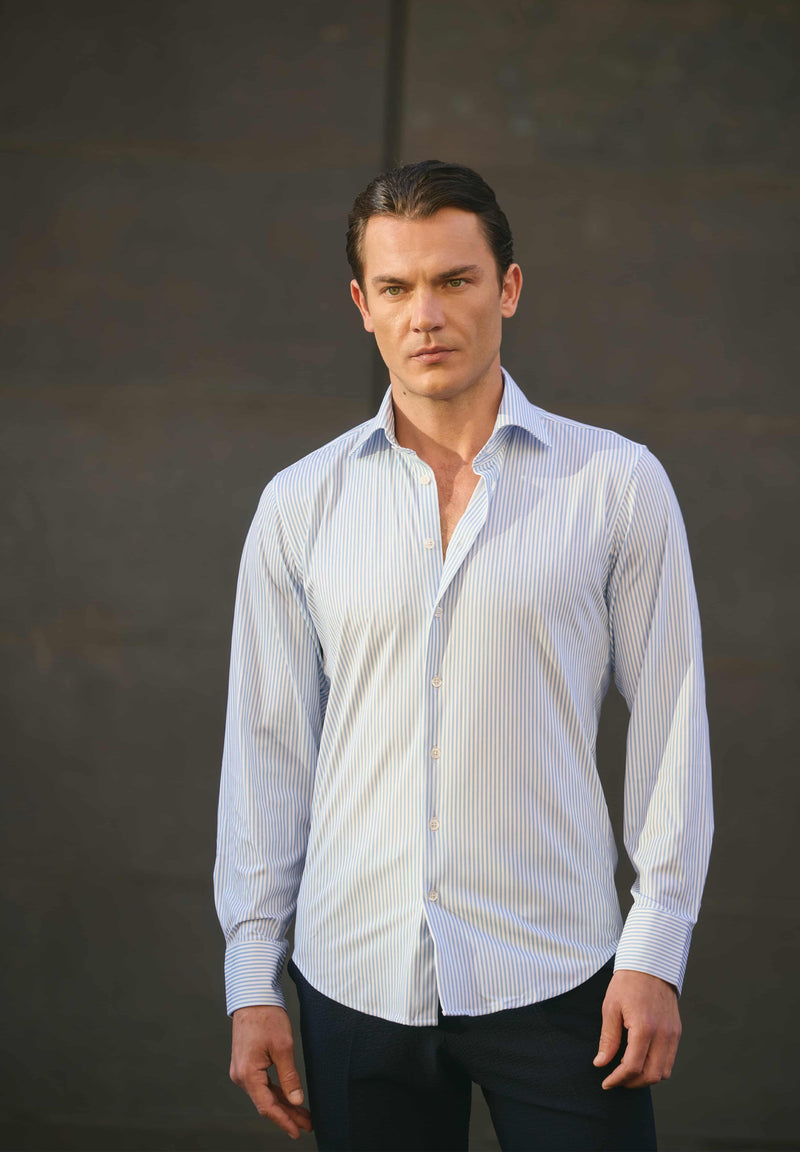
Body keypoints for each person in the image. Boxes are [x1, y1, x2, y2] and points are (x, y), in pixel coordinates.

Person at [214, 160, 713, 1152]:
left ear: (508, 288)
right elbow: (267, 754)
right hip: (353, 977)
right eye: (396, 288)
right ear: (361, 305)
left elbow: (671, 727)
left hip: (561, 973)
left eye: (454, 280)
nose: (426, 316)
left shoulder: (616, 485)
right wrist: (251, 978)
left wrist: (655, 950)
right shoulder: (299, 506)